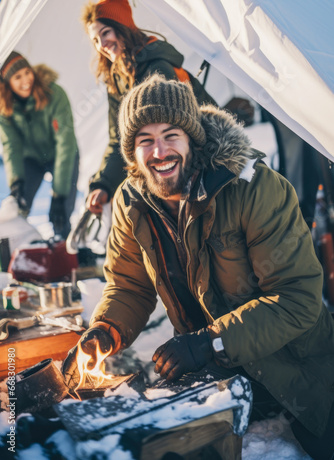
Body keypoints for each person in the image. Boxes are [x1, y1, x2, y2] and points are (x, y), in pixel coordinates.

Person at [62, 75, 334, 459]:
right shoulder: (130, 201)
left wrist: (210, 341)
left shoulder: (252, 187)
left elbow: (297, 298)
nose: (159, 151)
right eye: (145, 141)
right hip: (220, 371)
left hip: (299, 369)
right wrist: (106, 329)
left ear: (193, 138)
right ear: (132, 153)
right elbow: (128, 286)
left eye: (171, 135)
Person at [82, 0, 247, 215]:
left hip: (207, 156)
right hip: (174, 160)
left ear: (123, 27)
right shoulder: (116, 79)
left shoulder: (156, 69)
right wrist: (103, 184)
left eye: (105, 32)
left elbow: (174, 135)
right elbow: (119, 138)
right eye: (95, 40)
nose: (101, 43)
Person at [0, 51, 79, 239]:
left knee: (60, 212)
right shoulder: (5, 107)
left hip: (62, 155)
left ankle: (64, 252)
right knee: (18, 205)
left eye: (27, 72)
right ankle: (19, 248)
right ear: (8, 83)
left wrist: (59, 195)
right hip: (31, 159)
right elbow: (11, 146)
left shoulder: (54, 93)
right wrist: (16, 182)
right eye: (17, 77)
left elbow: (65, 143)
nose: (25, 80)